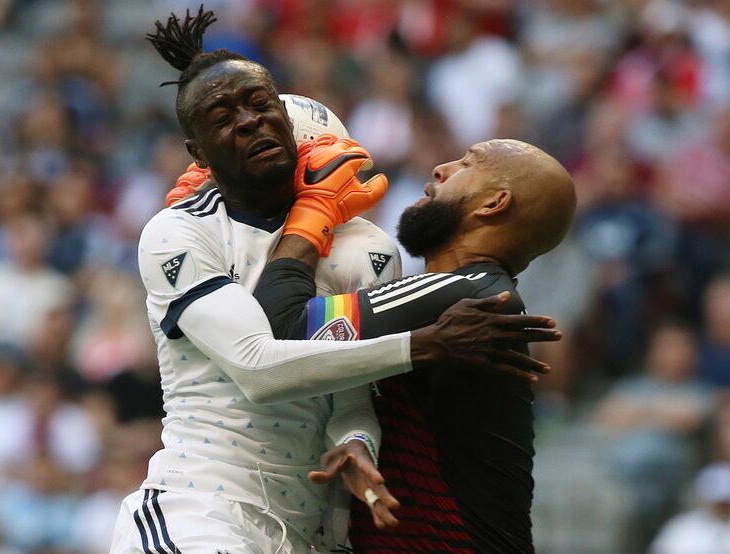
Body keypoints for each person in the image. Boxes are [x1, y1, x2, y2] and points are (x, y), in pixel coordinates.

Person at [111, 8, 561, 554]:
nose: (251, 122)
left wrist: (354, 439)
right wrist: (421, 346)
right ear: (199, 155)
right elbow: (260, 363)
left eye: (261, 105)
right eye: (225, 116)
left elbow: (348, 396)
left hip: (311, 531)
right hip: (203, 506)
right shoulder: (178, 232)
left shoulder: (367, 248)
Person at [253, 139, 577, 552]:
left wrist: (312, 213)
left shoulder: (464, 296)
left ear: (494, 203)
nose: (440, 168)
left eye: (465, 164)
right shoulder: (471, 296)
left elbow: (281, 330)